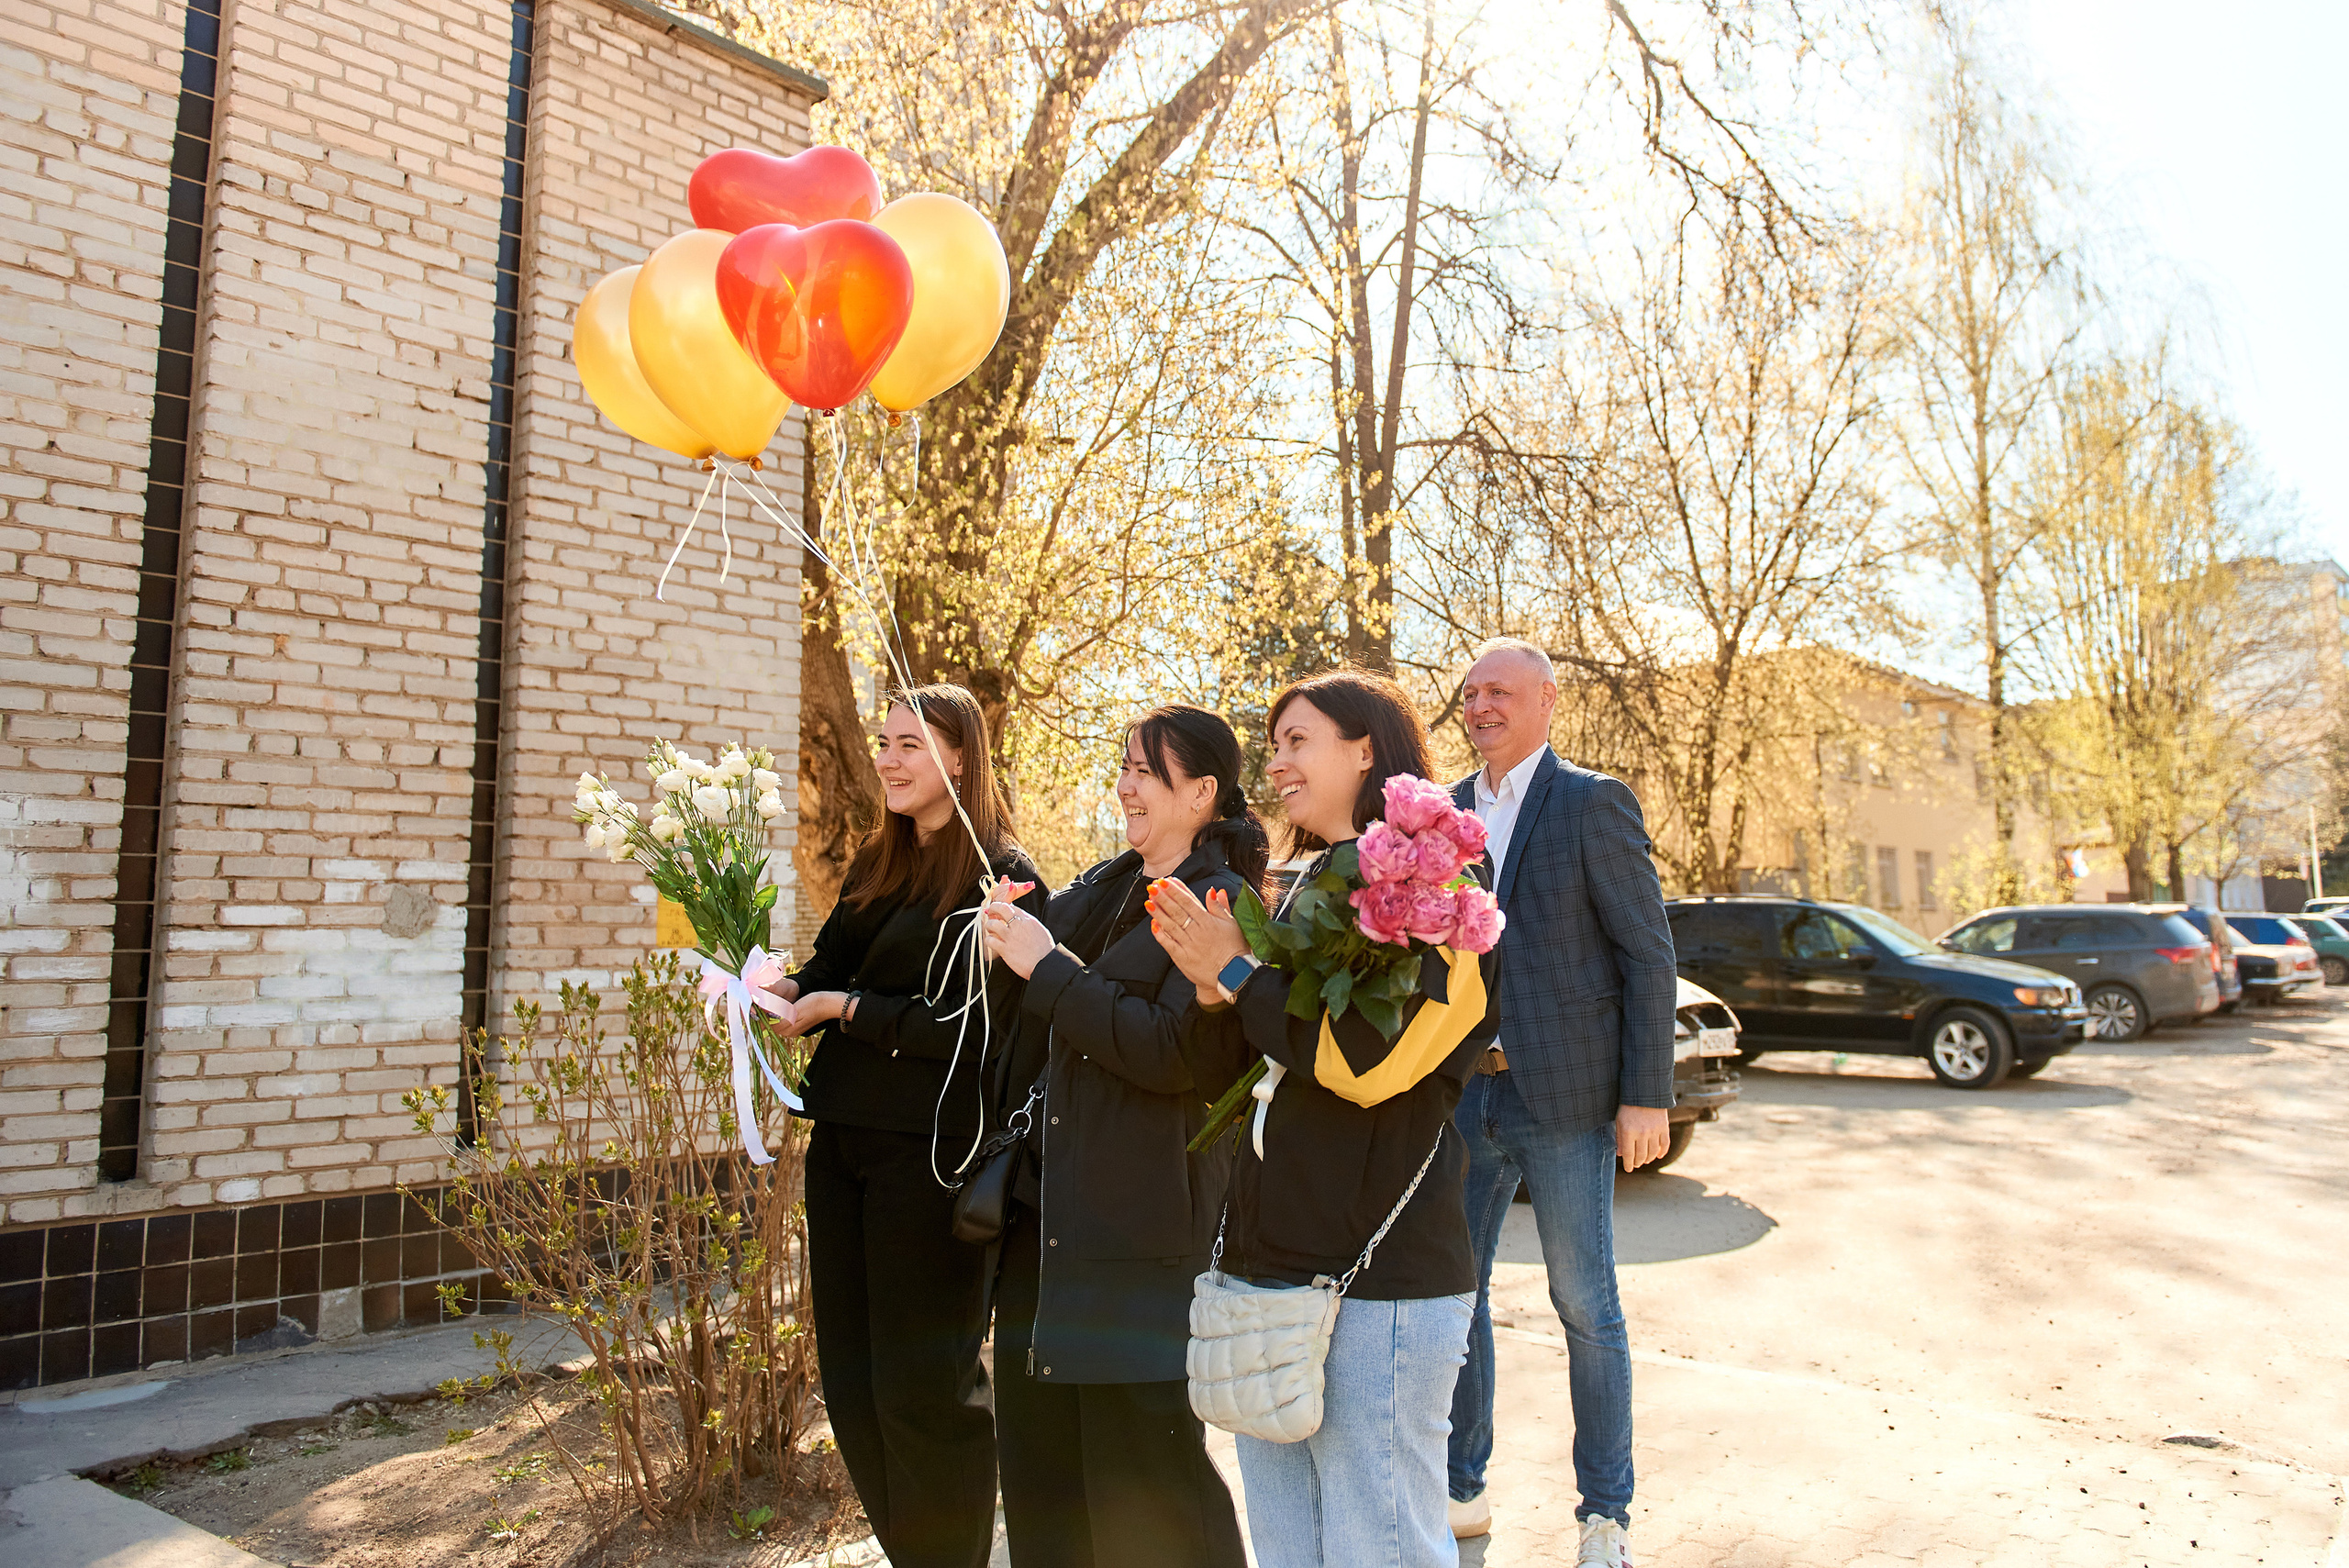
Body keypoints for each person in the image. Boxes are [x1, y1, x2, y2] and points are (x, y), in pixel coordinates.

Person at [1155, 668, 1498, 1568]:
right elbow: (1242, 1074)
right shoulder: (1302, 884)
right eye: (1273, 744)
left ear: (1365, 748)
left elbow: (1365, 1065)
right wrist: (1211, 987)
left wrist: (1239, 974)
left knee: (1377, 1548)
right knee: (1288, 1552)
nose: (1276, 762)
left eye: (1297, 740)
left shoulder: (1443, 893)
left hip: (1377, 1284)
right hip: (1268, 1273)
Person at [977, 705, 1262, 1568]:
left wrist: (1046, 966)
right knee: (1045, 1478)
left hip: (1139, 1235)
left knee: (1148, 1488)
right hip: (1047, 1223)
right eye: (1126, 766)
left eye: (1146, 770)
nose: (1125, 785)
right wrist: (1004, 941)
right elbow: (1040, 1016)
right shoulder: (1106, 888)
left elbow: (1177, 1055)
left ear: (1201, 793)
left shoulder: (1219, 903)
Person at [778, 684, 1048, 1568]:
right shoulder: (878, 860)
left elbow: (972, 1028)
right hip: (842, 1143)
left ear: (960, 757)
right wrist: (772, 988)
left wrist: (846, 1010)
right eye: (884, 741)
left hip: (930, 1157)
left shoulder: (1003, 877)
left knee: (922, 1388)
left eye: (909, 744)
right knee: (853, 1384)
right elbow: (828, 965)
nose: (887, 759)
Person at [1440, 638, 1675, 1568]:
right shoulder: (1442, 813)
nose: (1481, 706)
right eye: (1470, 693)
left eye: (1499, 690)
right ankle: (1461, 1490)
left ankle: (1604, 1515)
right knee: (1453, 1298)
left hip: (1567, 1100)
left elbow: (1647, 954)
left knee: (1585, 1302)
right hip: (1465, 1095)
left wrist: (1645, 1095)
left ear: (1546, 699)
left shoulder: (1591, 801)